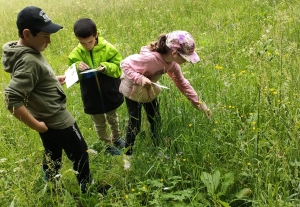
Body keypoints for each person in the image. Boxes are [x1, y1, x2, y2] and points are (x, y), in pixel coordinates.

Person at [2, 6, 91, 192]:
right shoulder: (29, 60)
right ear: (27, 34)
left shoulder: (23, 52)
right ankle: (87, 188)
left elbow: (33, 81)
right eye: (45, 36)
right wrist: (36, 125)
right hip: (57, 119)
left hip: (44, 117)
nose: (49, 41)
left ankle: (51, 182)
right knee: (81, 152)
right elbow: (11, 98)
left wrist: (51, 80)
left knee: (52, 153)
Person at [120, 30, 212, 169]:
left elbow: (183, 83)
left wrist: (200, 104)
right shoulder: (150, 59)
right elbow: (124, 63)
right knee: (135, 124)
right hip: (134, 92)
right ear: (174, 53)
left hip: (150, 92)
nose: (186, 62)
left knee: (156, 120)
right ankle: (127, 157)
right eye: (186, 58)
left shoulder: (173, 64)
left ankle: (159, 150)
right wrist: (140, 78)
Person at [68, 18, 125, 156]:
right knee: (99, 123)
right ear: (77, 39)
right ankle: (106, 144)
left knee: (113, 118)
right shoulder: (75, 54)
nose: (87, 45)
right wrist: (77, 67)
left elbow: (119, 68)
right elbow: (72, 77)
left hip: (109, 92)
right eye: (83, 43)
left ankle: (116, 138)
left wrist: (106, 67)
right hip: (91, 95)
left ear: (96, 35)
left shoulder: (109, 49)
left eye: (90, 41)